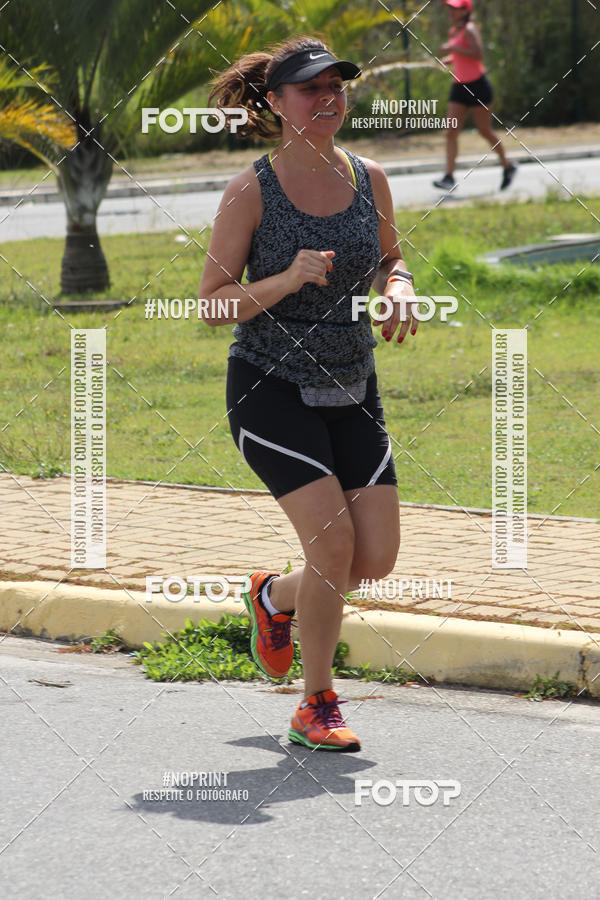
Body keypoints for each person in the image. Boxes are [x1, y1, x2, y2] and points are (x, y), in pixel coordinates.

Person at [200, 37, 420, 752]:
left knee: (372, 559)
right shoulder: (250, 190)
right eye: (309, 89)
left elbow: (390, 254)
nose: (328, 99)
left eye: (337, 86)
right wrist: (286, 280)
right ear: (274, 102)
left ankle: (273, 597)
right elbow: (212, 304)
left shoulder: (370, 176)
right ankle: (315, 702)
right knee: (333, 548)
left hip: (352, 382)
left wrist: (399, 286)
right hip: (270, 389)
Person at [433, 0, 517, 192]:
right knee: (451, 131)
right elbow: (462, 55)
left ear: (465, 11)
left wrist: (453, 49)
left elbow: (477, 54)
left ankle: (508, 166)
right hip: (459, 86)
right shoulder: (454, 31)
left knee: (484, 130)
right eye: (450, 9)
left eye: (455, 9)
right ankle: (448, 176)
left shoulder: (470, 29)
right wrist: (450, 59)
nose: (451, 12)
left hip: (478, 86)